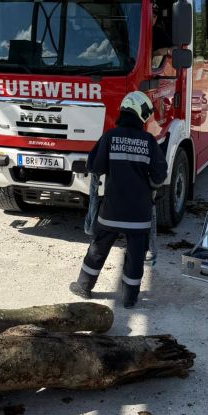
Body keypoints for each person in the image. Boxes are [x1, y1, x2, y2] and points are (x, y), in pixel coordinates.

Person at [70, 91, 168, 308]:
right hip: (139, 213)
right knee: (136, 255)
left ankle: (84, 286)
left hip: (112, 210)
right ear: (140, 114)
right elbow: (160, 175)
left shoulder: (110, 136)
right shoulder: (148, 141)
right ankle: (129, 299)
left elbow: (94, 166)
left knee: (98, 248)